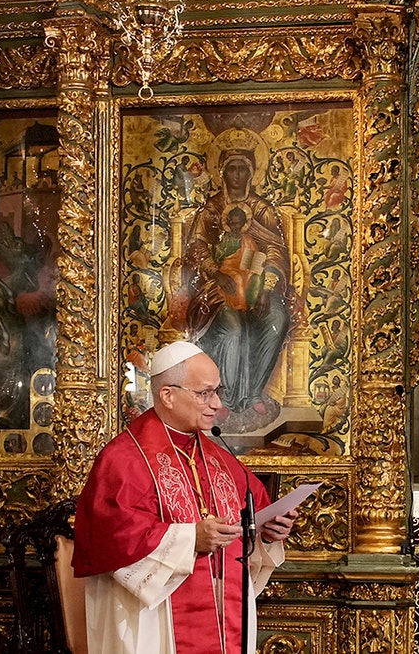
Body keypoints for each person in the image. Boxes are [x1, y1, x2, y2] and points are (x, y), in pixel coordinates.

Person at [73, 341, 298, 653]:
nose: (217, 403)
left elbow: (252, 516)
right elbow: (113, 538)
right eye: (205, 393)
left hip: (224, 615)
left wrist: (269, 530)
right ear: (168, 395)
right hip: (155, 620)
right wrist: (191, 539)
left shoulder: (219, 457)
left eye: (217, 391)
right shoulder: (123, 459)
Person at [181, 142, 293, 416]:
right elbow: (196, 247)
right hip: (218, 286)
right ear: (222, 172)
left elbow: (275, 250)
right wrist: (216, 272)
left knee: (277, 319)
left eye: (243, 169)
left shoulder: (262, 210)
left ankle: (254, 392)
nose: (237, 175)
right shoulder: (211, 209)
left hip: (258, 284)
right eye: (232, 169)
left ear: (251, 173)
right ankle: (224, 395)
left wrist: (265, 289)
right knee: (233, 329)